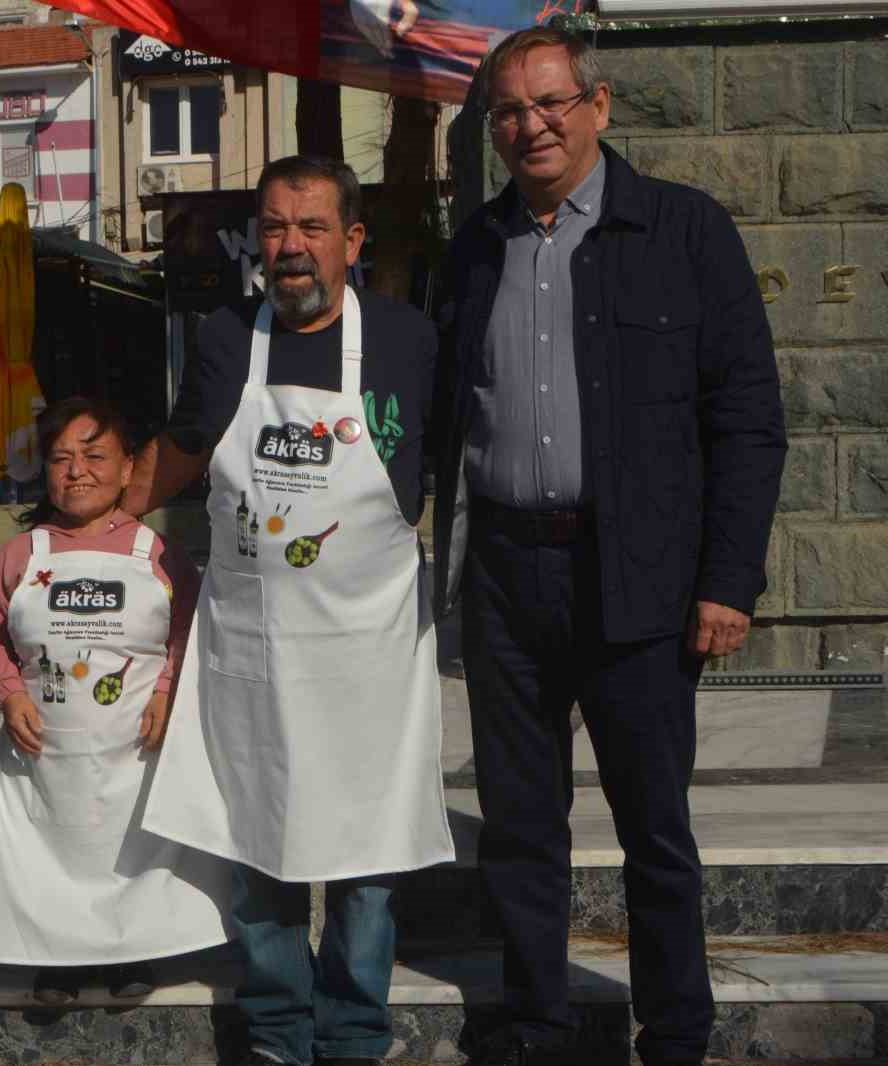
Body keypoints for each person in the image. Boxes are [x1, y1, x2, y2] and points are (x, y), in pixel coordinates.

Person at [433, 27, 787, 1066]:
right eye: (508, 111)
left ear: (597, 104)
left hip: (636, 575)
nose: (529, 125)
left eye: (549, 102)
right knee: (520, 823)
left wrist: (728, 580)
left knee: (653, 829)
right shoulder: (475, 248)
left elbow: (748, 418)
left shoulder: (682, 231)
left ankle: (674, 1029)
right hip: (505, 572)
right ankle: (538, 1019)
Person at [124, 154, 454, 1066]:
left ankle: (352, 1034)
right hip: (255, 652)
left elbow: (448, 464)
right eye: (274, 227)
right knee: (256, 842)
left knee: (366, 858)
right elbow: (184, 453)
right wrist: (97, 518)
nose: (291, 246)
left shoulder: (409, 339)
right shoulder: (228, 338)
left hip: (369, 656)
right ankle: (276, 1029)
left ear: (352, 240)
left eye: (312, 228)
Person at [0, 397, 231, 1004]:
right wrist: (7, 691)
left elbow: (188, 627)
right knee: (51, 855)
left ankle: (132, 953)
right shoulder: (21, 555)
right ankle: (54, 960)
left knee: (128, 856)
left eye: (94, 455)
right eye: (61, 458)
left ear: (130, 467)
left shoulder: (158, 554)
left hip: (134, 755)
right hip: (45, 757)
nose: (76, 470)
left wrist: (166, 691)